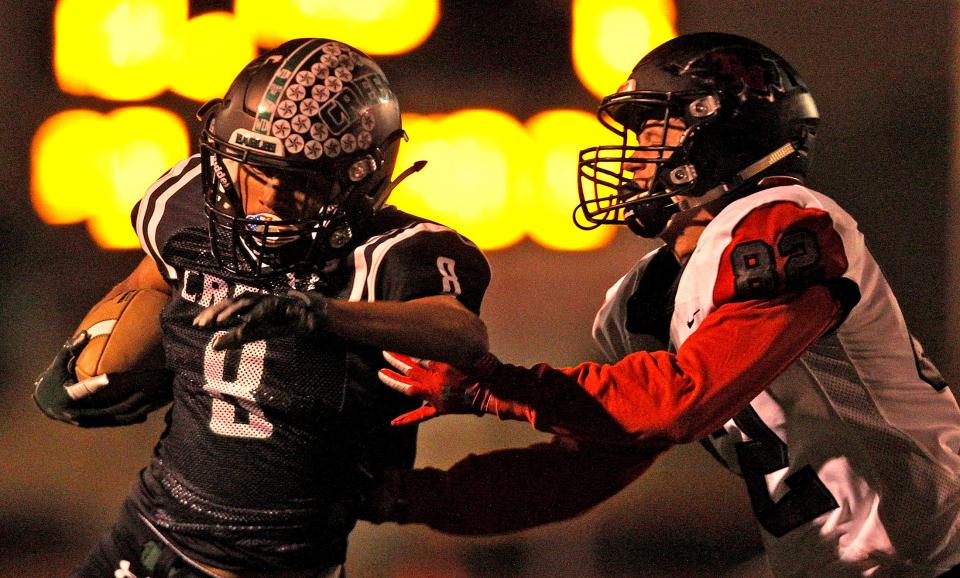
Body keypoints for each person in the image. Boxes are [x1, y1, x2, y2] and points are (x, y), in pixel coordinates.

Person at [374, 33, 960, 577]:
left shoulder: (785, 223)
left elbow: (684, 399)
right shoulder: (648, 296)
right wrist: (402, 496)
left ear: (726, 133)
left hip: (934, 554)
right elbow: (581, 470)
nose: (632, 156)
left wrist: (491, 387)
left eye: (657, 130)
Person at [33, 37, 494, 577]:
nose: (270, 197)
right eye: (256, 169)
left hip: (287, 562)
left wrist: (322, 313)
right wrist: (96, 346)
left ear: (359, 177)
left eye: (298, 180)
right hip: (150, 536)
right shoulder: (186, 205)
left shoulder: (393, 256)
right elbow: (154, 277)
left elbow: (463, 334)